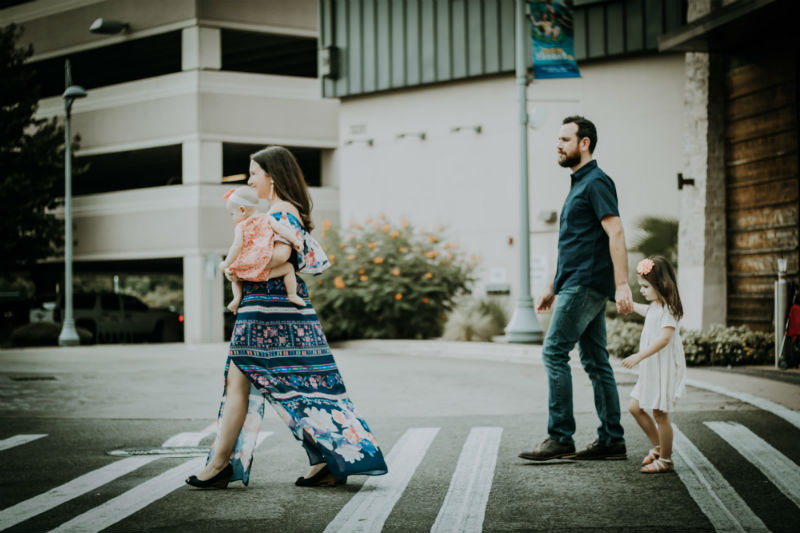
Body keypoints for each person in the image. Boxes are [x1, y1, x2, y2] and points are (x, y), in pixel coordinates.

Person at [186, 146, 387, 489]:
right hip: (276, 309)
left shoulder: (279, 214)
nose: (249, 180)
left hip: (267, 310)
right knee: (303, 384)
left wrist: (239, 267)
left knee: (245, 383)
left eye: (253, 173)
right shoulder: (282, 212)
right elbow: (292, 259)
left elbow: (281, 257)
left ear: (272, 177)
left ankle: (221, 464)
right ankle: (330, 459)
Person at [519, 115, 633, 462]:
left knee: (554, 352)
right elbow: (576, 244)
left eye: (565, 139)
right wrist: (553, 285)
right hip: (575, 282)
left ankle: (560, 437)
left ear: (584, 143)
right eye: (558, 139)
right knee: (596, 361)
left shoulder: (596, 182)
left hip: (585, 285)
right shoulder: (578, 185)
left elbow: (615, 232)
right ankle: (612, 439)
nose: (558, 144)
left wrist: (623, 283)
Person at [622, 256, 686, 474]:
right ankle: (659, 447)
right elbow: (645, 311)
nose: (642, 290)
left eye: (645, 286)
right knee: (634, 407)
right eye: (640, 286)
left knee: (660, 414)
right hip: (651, 369)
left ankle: (666, 460)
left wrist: (639, 356)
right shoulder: (655, 307)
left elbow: (664, 339)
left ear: (661, 285)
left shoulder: (669, 309)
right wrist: (629, 306)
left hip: (663, 369)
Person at [219, 186, 306, 312]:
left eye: (232, 214)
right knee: (288, 268)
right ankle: (292, 294)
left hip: (247, 264)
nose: (233, 218)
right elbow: (282, 230)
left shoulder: (241, 226)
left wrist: (226, 263)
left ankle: (237, 298)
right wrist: (295, 241)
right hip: (265, 260)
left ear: (242, 210)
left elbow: (236, 246)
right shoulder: (267, 218)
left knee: (233, 275)